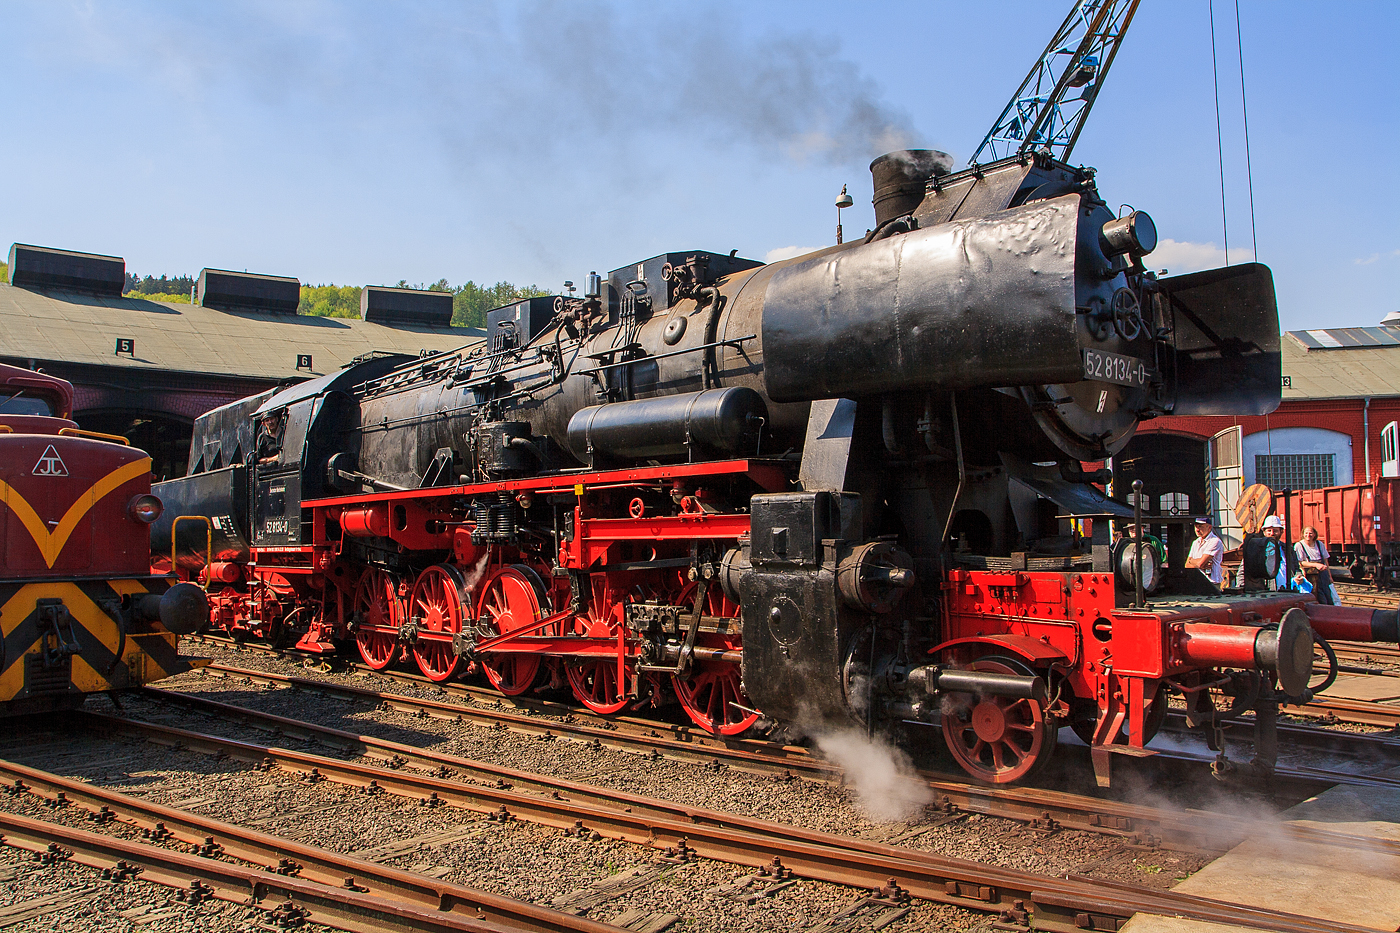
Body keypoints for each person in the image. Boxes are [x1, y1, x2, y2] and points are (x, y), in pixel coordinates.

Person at [1295, 525, 1337, 606]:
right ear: (1303, 534)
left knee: (1327, 595)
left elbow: (1325, 561)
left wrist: (1329, 576)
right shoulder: (1299, 545)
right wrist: (1315, 565)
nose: (1308, 535)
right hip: (1310, 575)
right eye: (1306, 533)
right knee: (1316, 596)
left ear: (1314, 534)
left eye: (1310, 533)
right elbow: (1299, 562)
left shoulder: (1319, 544)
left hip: (1323, 574)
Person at [1185, 516, 1224, 587]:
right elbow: (1187, 565)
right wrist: (1196, 563)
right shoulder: (1195, 542)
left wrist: (1192, 561)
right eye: (1196, 526)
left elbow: (1200, 564)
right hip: (1196, 581)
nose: (1197, 530)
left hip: (1211, 583)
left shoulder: (1214, 541)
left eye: (1200, 526)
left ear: (1209, 527)